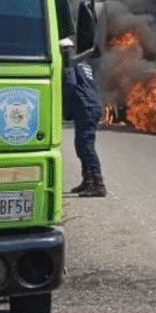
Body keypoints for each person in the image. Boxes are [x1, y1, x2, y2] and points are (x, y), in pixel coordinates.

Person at [61, 38, 107, 197]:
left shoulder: (70, 64)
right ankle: (87, 181)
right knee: (81, 145)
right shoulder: (83, 64)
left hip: (86, 108)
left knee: (86, 146)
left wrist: (64, 108)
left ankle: (98, 184)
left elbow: (71, 85)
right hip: (91, 107)